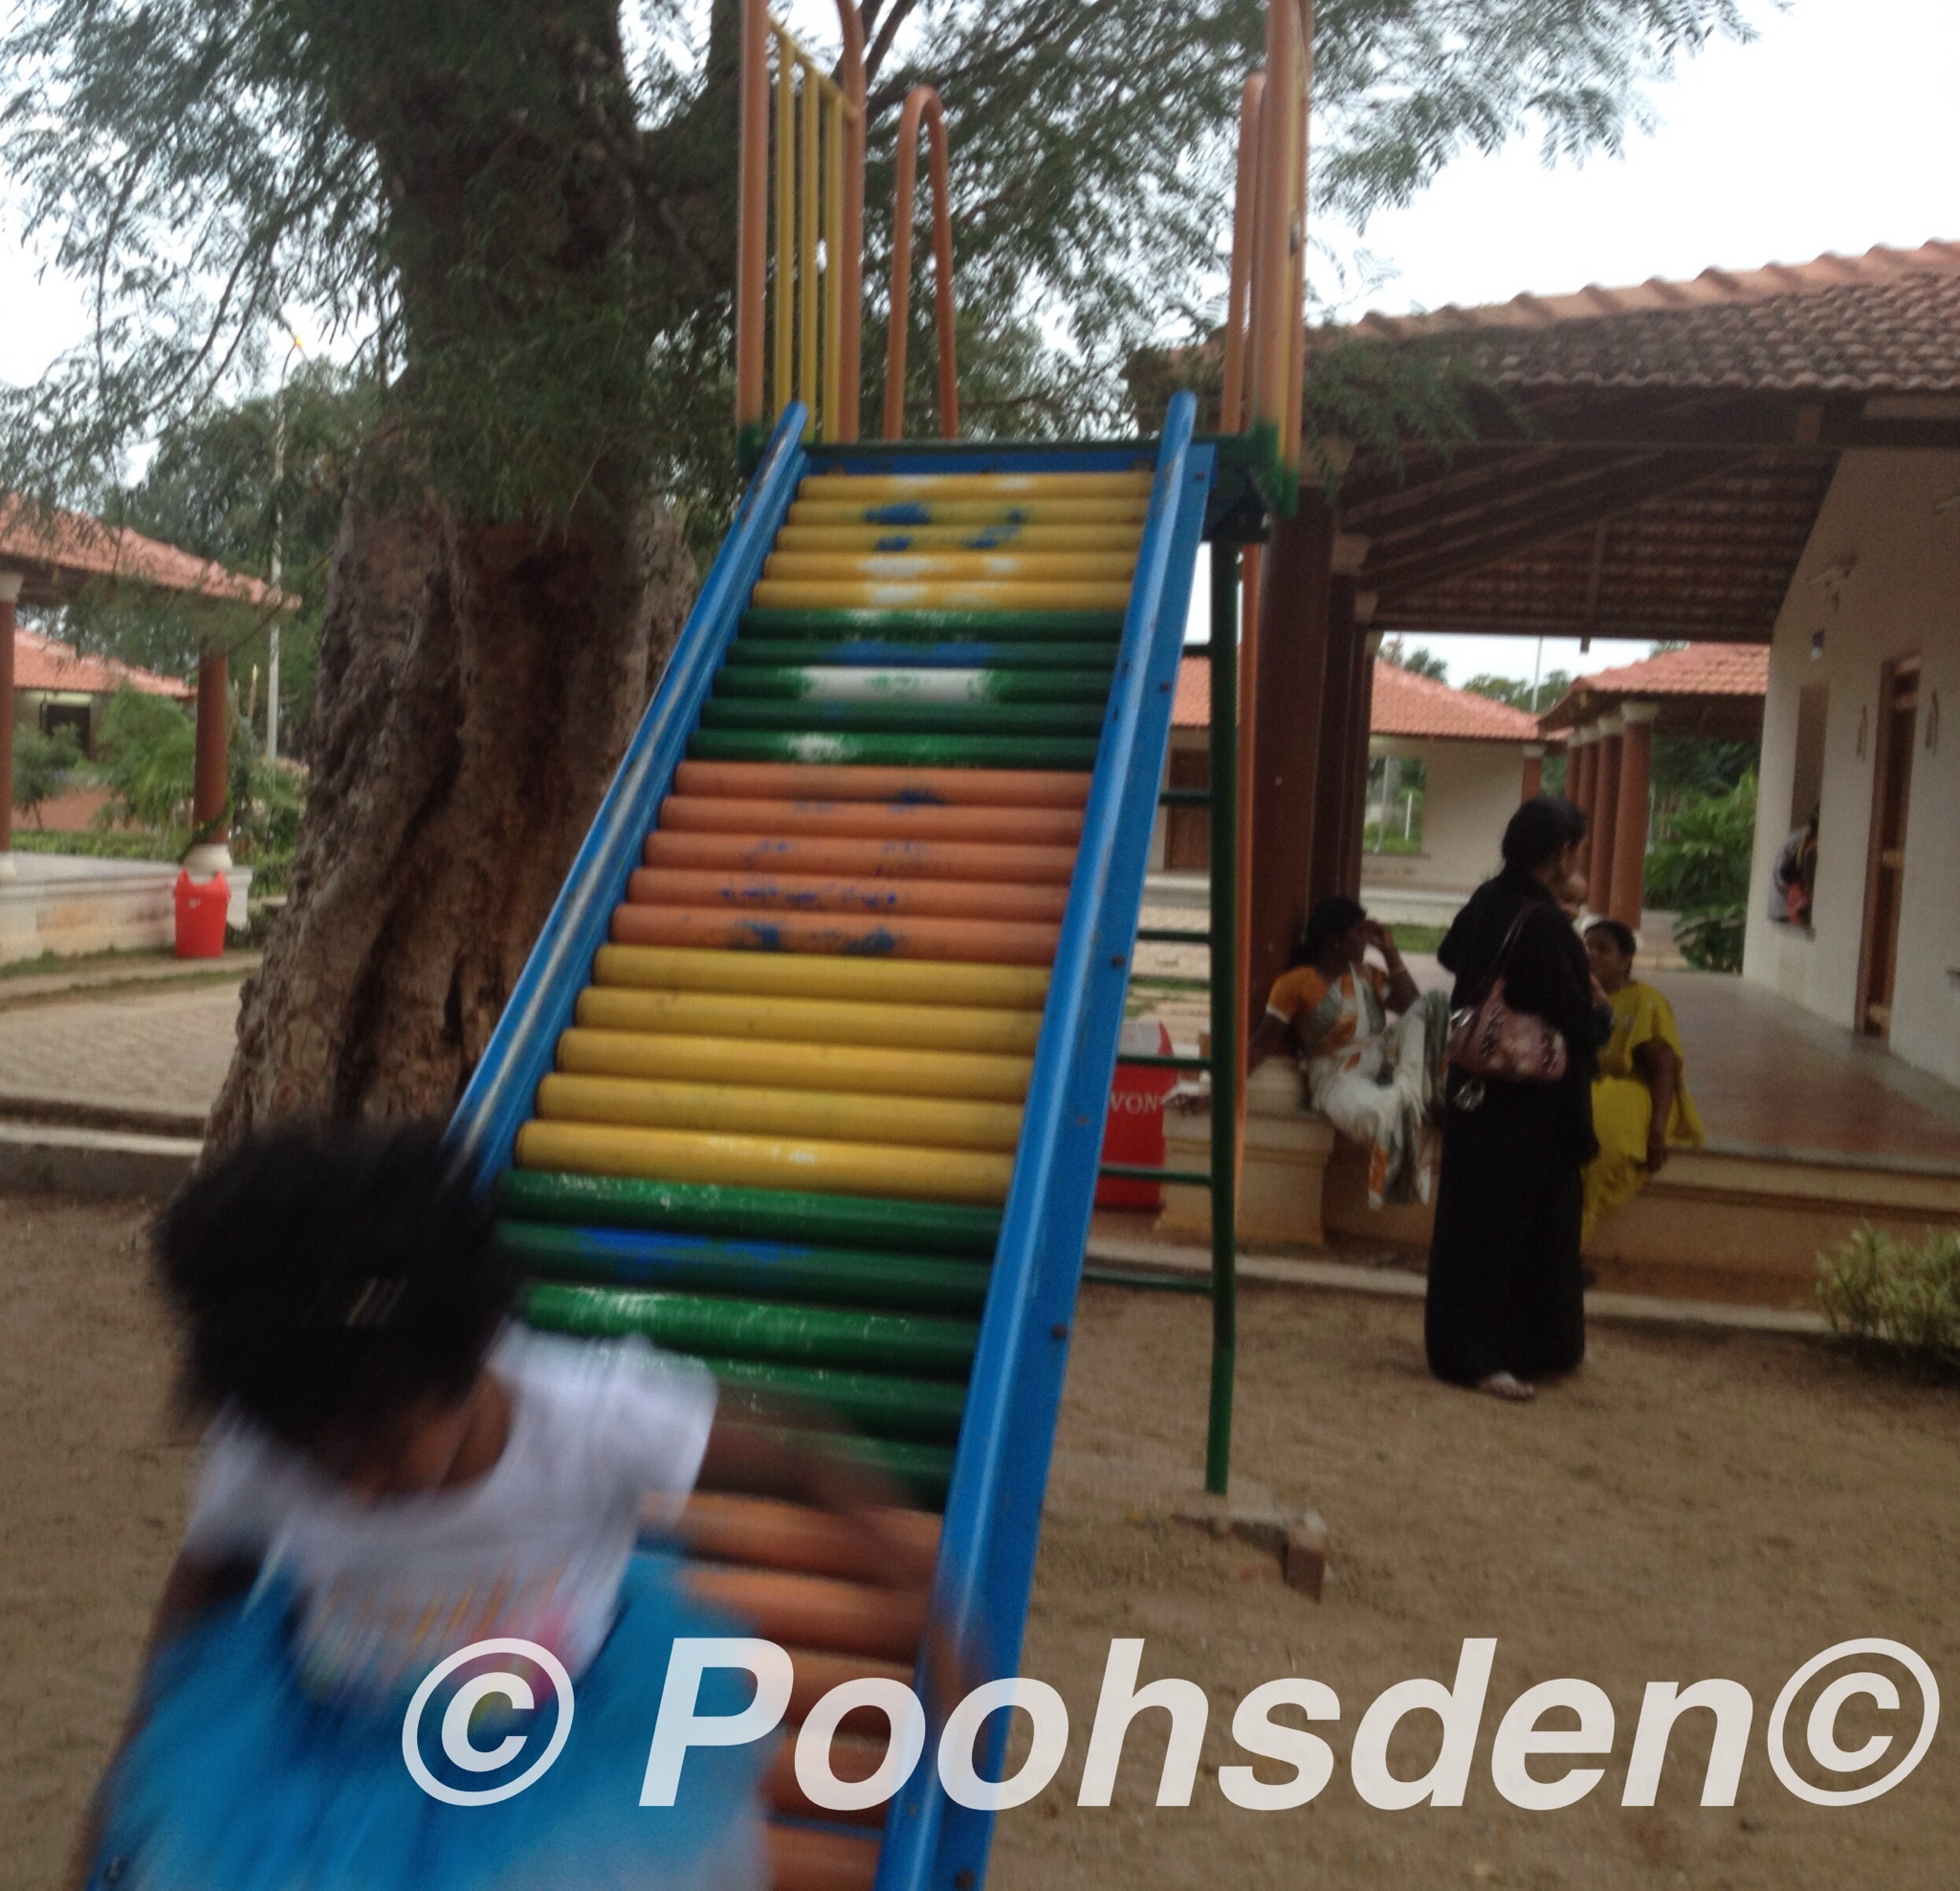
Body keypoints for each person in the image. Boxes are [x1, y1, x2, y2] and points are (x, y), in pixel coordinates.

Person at [76, 1124, 936, 1891]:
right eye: (324, 1462)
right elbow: (207, 1578)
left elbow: (788, 1451)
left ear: (470, 1354)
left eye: (386, 1446)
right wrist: (134, 1754)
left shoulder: (587, 1413)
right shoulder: (267, 1438)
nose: (359, 1487)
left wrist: (925, 1601)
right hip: (330, 1754)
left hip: (549, 1760)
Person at [1424, 797, 1614, 1401]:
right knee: (1510, 1228)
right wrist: (1601, 1016)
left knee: (1473, 1221)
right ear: (1559, 854)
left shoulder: (1488, 901)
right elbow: (1578, 1019)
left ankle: (1489, 1346)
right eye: (1576, 851)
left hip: (1479, 1091)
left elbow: (1452, 954)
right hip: (1526, 1107)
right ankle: (1488, 1354)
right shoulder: (1542, 924)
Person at [1248, 895, 1451, 1209]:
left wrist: (1389, 950)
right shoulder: (1296, 983)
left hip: (1385, 1064)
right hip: (1337, 1077)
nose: (1364, 941)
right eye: (1358, 933)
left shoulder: (1368, 976)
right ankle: (1412, 1100)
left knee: (1435, 1004)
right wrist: (1218, 1094)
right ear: (1333, 940)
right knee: (1379, 1112)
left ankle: (1417, 1095)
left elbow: (1415, 1007)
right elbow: (1261, 1044)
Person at [1581, 918, 1706, 1242]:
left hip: (1635, 1091)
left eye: (1603, 948)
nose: (1591, 954)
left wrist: (1657, 1131)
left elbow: (1663, 1069)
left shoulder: (1645, 1001)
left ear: (1626, 959)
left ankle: (1565, 1252)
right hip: (1590, 1086)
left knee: (1596, 1147)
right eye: (1586, 946)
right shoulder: (1576, 994)